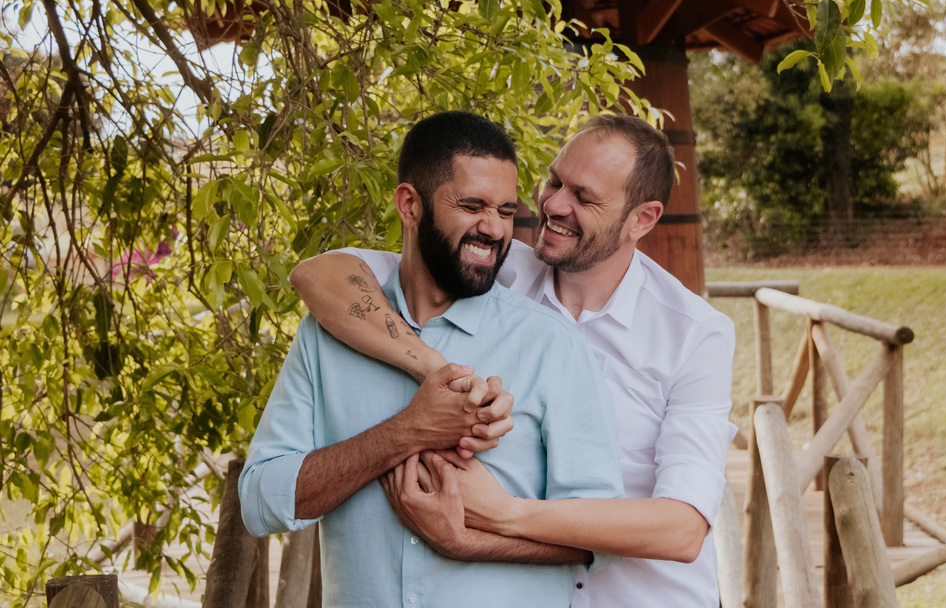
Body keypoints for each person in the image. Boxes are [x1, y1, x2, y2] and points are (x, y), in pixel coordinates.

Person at [291, 113, 736, 608]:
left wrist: (502, 513)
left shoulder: (695, 334)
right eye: (554, 181)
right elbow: (321, 275)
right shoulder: (497, 269)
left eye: (584, 197)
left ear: (643, 219)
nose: (554, 204)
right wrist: (434, 370)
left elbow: (683, 529)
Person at [240, 111, 624, 608]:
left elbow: (600, 537)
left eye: (506, 211)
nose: (494, 229)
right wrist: (407, 432)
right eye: (472, 206)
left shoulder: (551, 345)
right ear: (410, 205)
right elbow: (260, 501)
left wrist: (466, 542)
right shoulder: (326, 334)